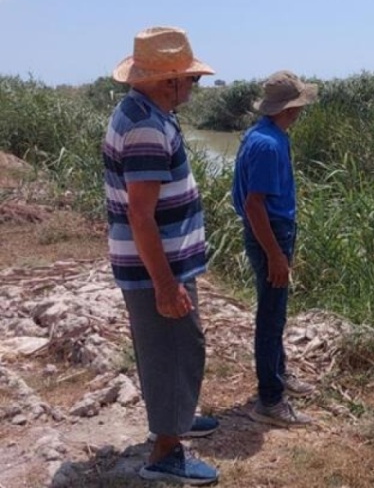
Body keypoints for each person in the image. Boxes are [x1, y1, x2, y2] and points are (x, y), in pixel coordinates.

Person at [103, 26, 219, 485]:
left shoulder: (142, 110)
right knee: (172, 350)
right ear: (168, 81)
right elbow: (141, 214)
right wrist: (165, 284)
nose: (192, 87)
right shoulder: (147, 127)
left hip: (159, 262)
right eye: (191, 80)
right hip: (157, 267)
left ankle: (180, 416)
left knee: (175, 348)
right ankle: (167, 452)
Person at [231, 70, 319, 427]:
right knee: (270, 317)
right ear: (290, 108)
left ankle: (278, 376)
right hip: (270, 233)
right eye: (298, 105)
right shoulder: (268, 144)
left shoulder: (265, 134)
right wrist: (275, 254)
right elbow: (254, 206)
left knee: (275, 312)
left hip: (272, 230)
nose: (301, 111)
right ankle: (270, 399)